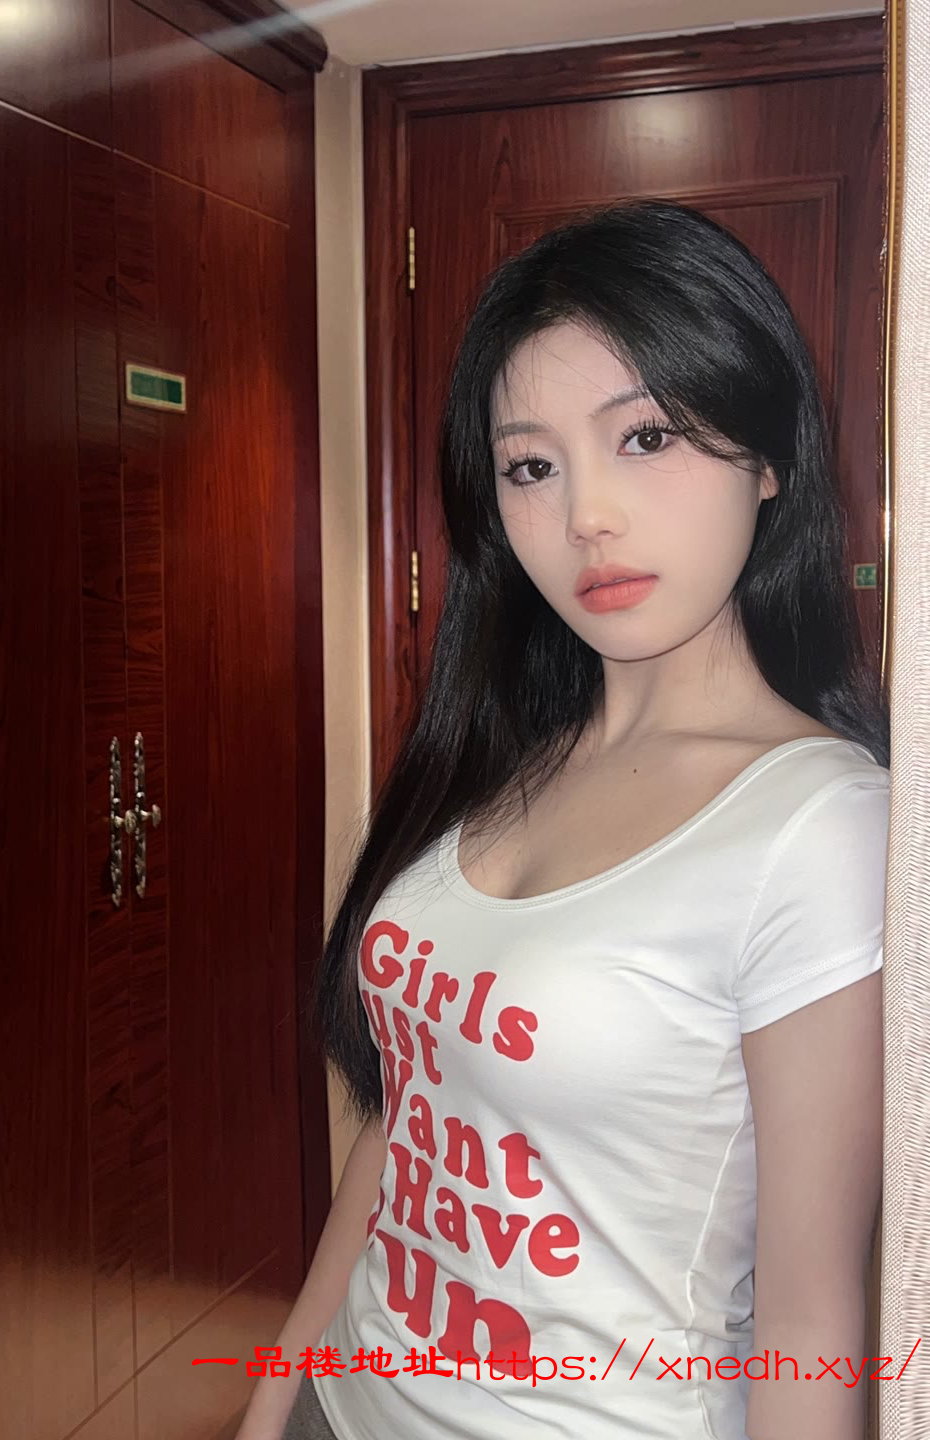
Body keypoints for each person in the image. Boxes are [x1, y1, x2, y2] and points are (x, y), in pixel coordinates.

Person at [237, 199, 890, 1440]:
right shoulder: (509, 755)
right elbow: (408, 1121)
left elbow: (812, 1316)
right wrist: (277, 1401)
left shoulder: (819, 829)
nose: (587, 514)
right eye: (532, 466)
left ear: (768, 458)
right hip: (346, 1401)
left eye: (646, 437)